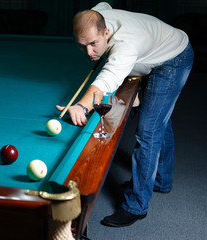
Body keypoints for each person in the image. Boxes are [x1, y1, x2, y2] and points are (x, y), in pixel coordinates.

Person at [56, 2, 194, 227]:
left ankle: (136, 206)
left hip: (173, 60)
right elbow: (103, 5)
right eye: (82, 46)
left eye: (94, 44)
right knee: (160, 122)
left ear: (107, 32)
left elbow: (107, 80)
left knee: (148, 131)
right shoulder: (99, 17)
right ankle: (161, 180)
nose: (90, 52)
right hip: (157, 50)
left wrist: (81, 107)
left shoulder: (125, 45)